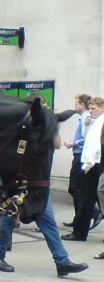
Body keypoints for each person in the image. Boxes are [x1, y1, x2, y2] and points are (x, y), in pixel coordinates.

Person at [0, 101, 88, 276]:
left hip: (37, 185)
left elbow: (57, 144)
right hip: (19, 183)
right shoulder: (20, 128)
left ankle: (62, 261)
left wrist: (52, 124)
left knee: (48, 221)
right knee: (9, 219)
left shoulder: (43, 128)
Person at [63, 97, 104, 242]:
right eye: (90, 108)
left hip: (94, 164)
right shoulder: (95, 122)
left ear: (102, 108)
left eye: (93, 109)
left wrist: (87, 165)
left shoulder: (100, 122)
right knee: (89, 197)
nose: (90, 111)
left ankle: (80, 232)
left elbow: (94, 146)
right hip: (94, 163)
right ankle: (80, 231)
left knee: (88, 197)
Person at [63, 94, 92, 227]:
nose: (75, 106)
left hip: (80, 155)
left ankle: (92, 212)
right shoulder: (83, 118)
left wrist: (73, 143)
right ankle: (78, 218)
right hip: (80, 155)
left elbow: (86, 139)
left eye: (76, 103)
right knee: (78, 188)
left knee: (74, 188)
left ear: (82, 105)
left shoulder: (85, 118)